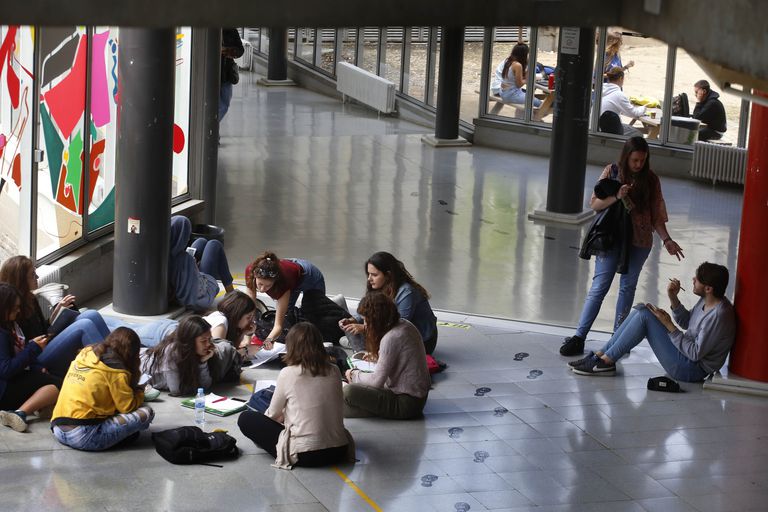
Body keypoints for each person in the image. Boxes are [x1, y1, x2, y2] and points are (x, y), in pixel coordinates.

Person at [560, 136, 685, 357]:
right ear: (626, 157)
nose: (638, 164)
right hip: (612, 238)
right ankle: (579, 337)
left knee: (628, 288)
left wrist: (667, 240)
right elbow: (595, 204)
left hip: (640, 241)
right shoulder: (612, 171)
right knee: (599, 286)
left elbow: (657, 217)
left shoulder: (651, 180)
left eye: (643, 160)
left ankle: (617, 340)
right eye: (635, 160)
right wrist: (617, 196)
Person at [569, 262, 735, 381]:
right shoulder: (708, 299)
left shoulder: (718, 315)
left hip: (691, 369)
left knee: (645, 317)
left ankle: (606, 362)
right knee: (643, 309)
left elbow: (695, 353)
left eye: (697, 279)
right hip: (686, 358)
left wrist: (669, 325)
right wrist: (673, 298)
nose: (693, 279)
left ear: (708, 288)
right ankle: (601, 355)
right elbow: (687, 323)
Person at [238, 322, 354, 469]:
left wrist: (279, 418)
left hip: (306, 455)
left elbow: (272, 415)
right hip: (339, 449)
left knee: (247, 418)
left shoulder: (288, 373)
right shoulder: (334, 370)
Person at [0, 255, 111, 377]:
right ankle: (110, 369)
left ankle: (117, 357)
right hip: (35, 356)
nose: (37, 277)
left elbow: (42, 331)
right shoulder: (13, 311)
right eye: (32, 275)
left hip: (44, 344)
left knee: (91, 314)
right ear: (21, 280)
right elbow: (23, 345)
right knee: (84, 325)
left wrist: (56, 315)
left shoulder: (31, 299)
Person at [51, 327, 155, 451]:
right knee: (147, 413)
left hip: (58, 429)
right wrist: (140, 392)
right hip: (84, 435)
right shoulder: (117, 371)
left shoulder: (85, 354)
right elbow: (127, 407)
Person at [343, 292, 431, 420]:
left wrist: (353, 374)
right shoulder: (405, 324)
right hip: (416, 398)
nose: (365, 325)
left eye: (367, 320)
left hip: (406, 403)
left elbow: (376, 381)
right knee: (349, 396)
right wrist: (377, 357)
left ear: (377, 320)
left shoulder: (391, 337)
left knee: (348, 391)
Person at [339, 251, 438, 355]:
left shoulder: (407, 292)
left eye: (374, 275)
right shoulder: (378, 285)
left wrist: (365, 329)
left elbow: (399, 327)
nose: (369, 279)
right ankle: (364, 346)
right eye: (368, 274)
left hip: (420, 342)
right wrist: (352, 320)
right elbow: (367, 310)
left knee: (361, 334)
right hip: (388, 331)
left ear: (388, 275)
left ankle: (363, 348)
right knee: (351, 328)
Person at [0, 283, 60, 432]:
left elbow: (20, 353)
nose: (18, 310)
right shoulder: (2, 333)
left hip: (13, 379)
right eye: (15, 308)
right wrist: (33, 348)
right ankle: (20, 413)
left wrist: (37, 366)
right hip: (3, 391)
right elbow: (6, 369)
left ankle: (28, 410)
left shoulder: (10, 325)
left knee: (53, 385)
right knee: (57, 385)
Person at [245, 251, 326, 349]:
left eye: (268, 286)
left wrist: (268, 341)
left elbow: (278, 325)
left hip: (309, 276)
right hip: (290, 271)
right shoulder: (250, 272)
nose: (262, 290)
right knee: (287, 313)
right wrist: (247, 342)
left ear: (275, 282)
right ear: (254, 275)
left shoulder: (283, 283)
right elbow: (249, 312)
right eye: (260, 284)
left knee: (317, 313)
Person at [140, 315, 237, 396]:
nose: (208, 344)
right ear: (189, 341)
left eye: (209, 339)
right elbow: (177, 390)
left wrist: (202, 363)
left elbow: (204, 386)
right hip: (136, 364)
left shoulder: (199, 352)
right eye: (203, 341)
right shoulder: (172, 352)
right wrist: (195, 385)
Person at [169, 215, 235, 311]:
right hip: (198, 298)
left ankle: (231, 292)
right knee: (214, 244)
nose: (188, 238)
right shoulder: (185, 259)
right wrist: (194, 268)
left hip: (176, 293)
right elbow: (197, 288)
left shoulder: (163, 256)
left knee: (201, 241)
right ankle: (231, 293)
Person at [490, 43, 542, 107]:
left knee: (530, 97)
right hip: (511, 94)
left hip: (503, 92)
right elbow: (519, 85)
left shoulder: (509, 60)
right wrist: (528, 78)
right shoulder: (517, 65)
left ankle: (524, 113)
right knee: (539, 104)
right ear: (524, 54)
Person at [600, 67, 646, 137]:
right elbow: (635, 113)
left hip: (597, 126)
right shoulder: (619, 95)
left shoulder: (601, 88)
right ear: (621, 78)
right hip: (609, 130)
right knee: (638, 134)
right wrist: (644, 107)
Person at [219, 28, 245, 123]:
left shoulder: (231, 30)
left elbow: (240, 50)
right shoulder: (208, 30)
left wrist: (228, 50)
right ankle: (210, 128)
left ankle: (211, 126)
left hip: (226, 73)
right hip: (209, 73)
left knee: (224, 104)